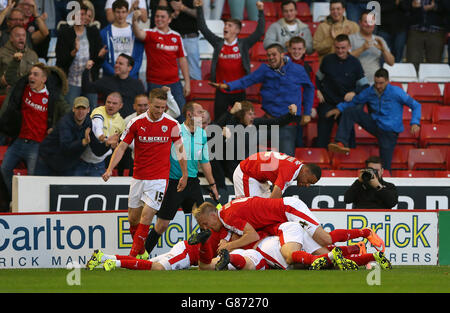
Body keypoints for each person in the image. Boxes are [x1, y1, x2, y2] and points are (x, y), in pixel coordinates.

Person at [102, 88, 188, 259]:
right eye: (157, 107)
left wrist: (184, 175)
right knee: (133, 220)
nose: (160, 111)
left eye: (163, 107)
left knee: (147, 216)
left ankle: (132, 257)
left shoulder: (172, 124)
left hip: (159, 180)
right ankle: (142, 253)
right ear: (149, 104)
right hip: (138, 178)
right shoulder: (135, 122)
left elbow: (180, 150)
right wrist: (110, 168)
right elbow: (122, 147)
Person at [209, 43, 314, 156]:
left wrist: (307, 112)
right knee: (240, 144)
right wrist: (227, 86)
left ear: (282, 55)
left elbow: (309, 88)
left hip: (287, 123)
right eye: (268, 55)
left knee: (287, 160)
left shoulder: (298, 69)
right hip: (267, 120)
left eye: (274, 54)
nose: (271, 58)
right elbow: (247, 80)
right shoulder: (265, 69)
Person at [143, 101, 219, 255]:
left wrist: (213, 185)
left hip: (193, 183)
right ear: (189, 114)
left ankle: (206, 256)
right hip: (174, 182)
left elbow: (205, 162)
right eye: (200, 111)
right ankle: (142, 253)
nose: (203, 114)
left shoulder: (202, 134)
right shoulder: (175, 130)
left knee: (206, 221)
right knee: (162, 224)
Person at [192, 196, 386, 255]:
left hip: (288, 209)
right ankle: (357, 249)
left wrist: (229, 246)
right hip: (281, 218)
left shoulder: (227, 216)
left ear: (212, 215)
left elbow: (252, 236)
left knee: (324, 238)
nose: (206, 228)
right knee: (322, 252)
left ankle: (365, 232)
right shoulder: (225, 214)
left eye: (204, 224)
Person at [327, 68, 421, 172]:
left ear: (387, 81)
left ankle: (384, 185)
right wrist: (339, 108)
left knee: (385, 167)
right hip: (375, 125)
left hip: (390, 132)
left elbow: (416, 105)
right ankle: (341, 142)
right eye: (376, 83)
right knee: (350, 111)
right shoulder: (370, 91)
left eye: (381, 83)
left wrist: (415, 122)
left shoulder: (396, 92)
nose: (378, 86)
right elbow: (355, 101)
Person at [0, 63, 69, 199]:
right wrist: (15, 60)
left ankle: (29, 203)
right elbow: (10, 77)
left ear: (44, 79)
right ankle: (16, 199)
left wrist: (55, 128)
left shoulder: (52, 96)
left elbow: (67, 113)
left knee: (33, 178)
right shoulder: (23, 89)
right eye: (30, 74)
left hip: (37, 145)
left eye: (35, 74)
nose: (31, 77)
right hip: (19, 141)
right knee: (4, 169)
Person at [211, 101, 299, 203]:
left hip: (249, 166)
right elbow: (215, 129)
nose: (253, 116)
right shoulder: (231, 123)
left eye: (253, 113)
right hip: (234, 168)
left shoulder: (254, 123)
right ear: (241, 114)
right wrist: (231, 113)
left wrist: (290, 115)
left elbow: (275, 122)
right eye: (249, 114)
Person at [194, 0, 265, 120]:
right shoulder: (218, 43)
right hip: (221, 91)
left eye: (229, 25)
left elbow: (259, 32)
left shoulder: (244, 44)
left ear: (237, 31)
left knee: (241, 123)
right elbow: (203, 28)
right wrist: (199, 8)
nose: (225, 27)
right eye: (225, 25)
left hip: (239, 91)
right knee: (219, 122)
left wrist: (261, 11)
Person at [131, 6, 190, 119]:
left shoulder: (176, 36)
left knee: (181, 114)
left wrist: (187, 82)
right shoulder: (150, 33)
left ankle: (181, 137)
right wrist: (134, 21)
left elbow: (182, 59)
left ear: (169, 19)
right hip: (155, 83)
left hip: (174, 83)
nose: (159, 19)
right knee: (154, 115)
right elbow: (138, 33)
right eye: (157, 16)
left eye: (163, 17)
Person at [315, 34, 369, 148]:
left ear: (349, 46)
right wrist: (317, 90)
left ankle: (350, 161)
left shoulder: (355, 63)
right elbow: (317, 78)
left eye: (343, 48)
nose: (340, 51)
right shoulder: (327, 60)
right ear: (334, 47)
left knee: (349, 138)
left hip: (346, 105)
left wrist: (354, 92)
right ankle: (320, 161)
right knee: (322, 137)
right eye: (338, 48)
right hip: (328, 103)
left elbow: (365, 85)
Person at [55, 2, 107, 107]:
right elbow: (60, 60)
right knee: (70, 110)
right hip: (72, 81)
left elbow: (98, 60)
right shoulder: (65, 32)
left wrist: (99, 56)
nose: (81, 17)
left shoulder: (93, 31)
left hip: (90, 79)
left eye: (83, 14)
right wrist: (73, 53)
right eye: (78, 14)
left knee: (92, 110)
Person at [35, 96, 92, 176]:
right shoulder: (65, 122)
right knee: (39, 186)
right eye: (78, 108)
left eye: (83, 108)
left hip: (66, 165)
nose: (81, 111)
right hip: (46, 160)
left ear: (88, 110)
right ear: (73, 109)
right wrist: (83, 142)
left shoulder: (89, 123)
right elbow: (66, 146)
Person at [74, 91, 125, 176]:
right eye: (108, 102)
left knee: (96, 189)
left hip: (99, 164)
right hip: (81, 161)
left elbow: (120, 144)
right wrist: (103, 138)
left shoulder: (121, 122)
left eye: (114, 103)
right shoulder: (98, 111)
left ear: (120, 105)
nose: (110, 105)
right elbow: (97, 126)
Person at [233, 150, 321, 199]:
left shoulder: (296, 166)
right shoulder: (290, 171)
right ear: (306, 171)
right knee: (248, 209)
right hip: (246, 173)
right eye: (309, 181)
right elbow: (274, 199)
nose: (307, 185)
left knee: (263, 208)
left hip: (259, 177)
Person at [100, 0, 144, 80]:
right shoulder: (104, 33)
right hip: (111, 77)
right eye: (118, 12)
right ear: (113, 12)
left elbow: (138, 58)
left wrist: (128, 74)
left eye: (123, 12)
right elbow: (102, 58)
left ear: (128, 12)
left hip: (131, 77)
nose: (120, 15)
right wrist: (114, 72)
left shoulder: (136, 32)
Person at [349, 10, 395, 84]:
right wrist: (362, 49)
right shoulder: (351, 38)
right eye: (366, 22)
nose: (369, 25)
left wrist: (383, 50)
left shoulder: (379, 40)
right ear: (359, 23)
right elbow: (345, 58)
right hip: (355, 82)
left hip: (376, 83)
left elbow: (391, 62)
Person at [160, 0, 202, 81]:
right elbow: (160, 14)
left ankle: (196, 93)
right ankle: (172, 92)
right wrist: (172, 15)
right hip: (173, 38)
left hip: (190, 37)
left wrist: (183, 8)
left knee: (194, 72)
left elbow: (199, 14)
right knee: (172, 71)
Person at [406, 0, 447, 71]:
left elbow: (447, 6)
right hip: (415, 29)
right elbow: (402, 5)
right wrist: (411, 5)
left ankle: (433, 81)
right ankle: (413, 82)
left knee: (434, 63)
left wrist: (435, 7)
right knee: (412, 63)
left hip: (436, 30)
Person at [0, 25, 38, 94]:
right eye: (18, 35)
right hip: (6, 95)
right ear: (11, 38)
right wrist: (2, 82)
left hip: (28, 94)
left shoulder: (33, 55)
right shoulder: (1, 53)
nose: (21, 38)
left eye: (23, 35)